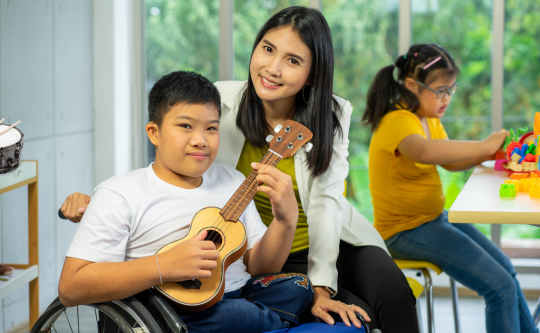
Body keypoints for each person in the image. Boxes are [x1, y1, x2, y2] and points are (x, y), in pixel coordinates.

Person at [61, 7, 418, 332]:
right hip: (257, 246)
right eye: (267, 49)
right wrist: (103, 201)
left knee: (392, 296)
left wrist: (322, 285)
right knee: (350, 315)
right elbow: (174, 163)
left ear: (312, 75)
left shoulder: (333, 112)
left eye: (293, 60)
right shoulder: (223, 100)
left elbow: (325, 203)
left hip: (325, 238)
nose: (272, 68)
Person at [58, 71, 316, 333]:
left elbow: (261, 267)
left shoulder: (234, 180)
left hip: (236, 296)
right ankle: (267, 323)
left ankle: (257, 321)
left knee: (299, 286)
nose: (200, 140)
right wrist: (163, 266)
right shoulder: (120, 193)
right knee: (235, 316)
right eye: (185, 126)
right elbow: (70, 287)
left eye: (211, 128)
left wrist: (285, 220)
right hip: (168, 307)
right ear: (154, 133)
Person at [363, 43, 539, 333]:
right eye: (440, 90)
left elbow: (450, 160)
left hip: (432, 220)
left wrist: (489, 153)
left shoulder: (428, 119)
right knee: (499, 288)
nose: (447, 98)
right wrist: (483, 146)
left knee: (505, 270)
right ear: (411, 86)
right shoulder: (397, 121)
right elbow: (425, 152)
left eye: (451, 89)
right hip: (404, 231)